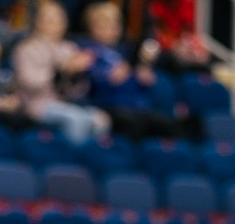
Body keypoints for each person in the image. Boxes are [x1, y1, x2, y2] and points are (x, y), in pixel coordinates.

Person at [76, 2, 196, 142]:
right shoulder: (85, 49)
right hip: (106, 105)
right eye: (103, 25)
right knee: (132, 124)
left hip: (137, 106)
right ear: (91, 27)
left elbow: (145, 69)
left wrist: (143, 72)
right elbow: (85, 82)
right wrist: (107, 77)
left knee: (169, 125)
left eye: (114, 25)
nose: (110, 30)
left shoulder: (127, 50)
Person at [12, 0, 111, 145]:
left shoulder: (69, 48)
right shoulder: (27, 48)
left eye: (59, 18)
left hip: (66, 103)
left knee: (100, 119)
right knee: (75, 118)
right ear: (38, 21)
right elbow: (29, 83)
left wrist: (75, 74)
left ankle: (92, 160)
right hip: (36, 105)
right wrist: (59, 71)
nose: (56, 23)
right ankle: (73, 161)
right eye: (50, 19)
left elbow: (77, 93)